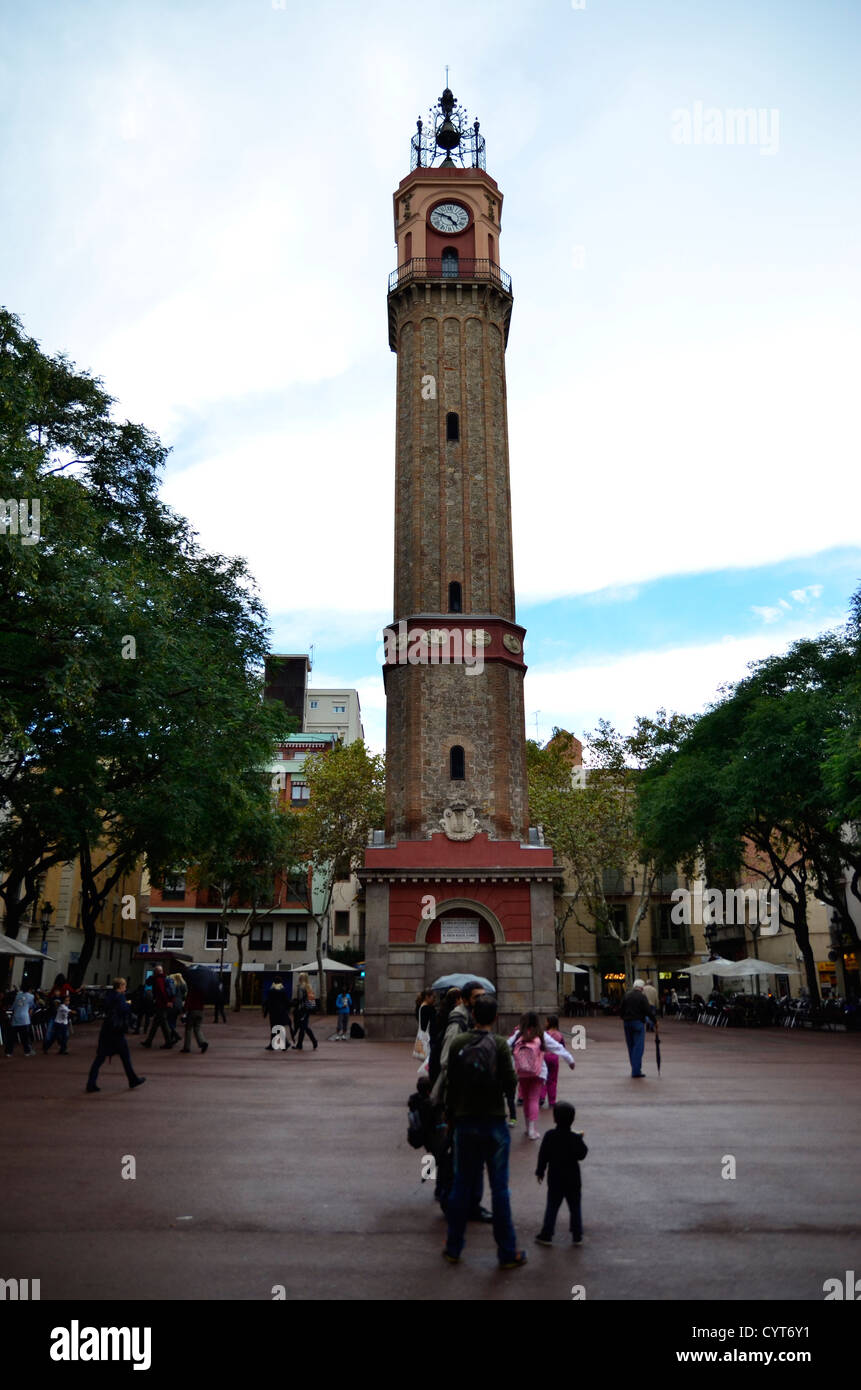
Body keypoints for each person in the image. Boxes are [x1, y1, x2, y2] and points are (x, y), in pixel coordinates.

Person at [442, 993, 526, 1270]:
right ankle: (507, 1252)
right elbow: (511, 1082)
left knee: (461, 1187)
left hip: (465, 1122)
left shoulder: (458, 1043)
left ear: (473, 1015)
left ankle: (453, 1248)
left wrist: (451, 1116)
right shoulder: (501, 1044)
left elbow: (450, 1083)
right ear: (496, 1017)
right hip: (494, 1122)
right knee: (500, 1190)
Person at [509, 1012, 575, 1140]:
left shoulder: (518, 1034)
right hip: (538, 1072)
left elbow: (506, 1046)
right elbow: (558, 1048)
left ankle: (528, 1128)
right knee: (534, 1099)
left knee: (526, 1099)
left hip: (521, 1072)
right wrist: (570, 1060)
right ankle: (533, 1130)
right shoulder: (541, 1034)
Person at [534, 1101, 588, 1246]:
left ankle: (546, 1234)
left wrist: (540, 1171)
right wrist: (580, 1140)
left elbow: (543, 1155)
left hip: (555, 1177)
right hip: (573, 1178)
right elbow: (582, 1154)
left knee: (552, 1206)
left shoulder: (550, 1136)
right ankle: (577, 1235)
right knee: (575, 1207)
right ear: (572, 1119)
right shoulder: (575, 1138)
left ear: (555, 1119)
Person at [86, 978, 146, 1093]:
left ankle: (91, 1082)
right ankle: (132, 1079)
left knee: (100, 1058)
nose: (125, 987)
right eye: (124, 985)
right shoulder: (120, 997)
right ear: (120, 986)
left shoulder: (109, 996)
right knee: (125, 1057)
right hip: (116, 1032)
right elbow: (123, 1010)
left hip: (107, 1029)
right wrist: (129, 1005)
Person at [620, 979, 654, 1078]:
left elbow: (621, 1009)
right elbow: (648, 1011)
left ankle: (635, 1068)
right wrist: (655, 1021)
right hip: (638, 1023)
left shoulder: (626, 995)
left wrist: (624, 1018)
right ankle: (636, 1070)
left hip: (627, 1023)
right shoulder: (642, 997)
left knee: (630, 1046)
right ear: (642, 987)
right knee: (638, 1047)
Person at [140, 966, 176, 1049]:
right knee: (156, 1024)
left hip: (161, 1004)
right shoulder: (165, 978)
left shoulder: (158, 980)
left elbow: (161, 991)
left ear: (156, 972)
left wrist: (167, 1002)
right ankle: (149, 1041)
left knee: (163, 1023)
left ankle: (169, 1041)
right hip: (163, 1004)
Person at [540, 1015, 565, 1109]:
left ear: (549, 1023)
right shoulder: (559, 1035)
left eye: (546, 1021)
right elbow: (562, 1047)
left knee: (543, 1078)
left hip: (544, 1057)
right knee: (553, 1080)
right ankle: (552, 1101)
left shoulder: (544, 1034)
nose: (544, 1023)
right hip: (554, 1058)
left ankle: (541, 1097)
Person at [263, 976, 293, 1050]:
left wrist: (265, 1012)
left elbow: (267, 1002)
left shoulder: (271, 991)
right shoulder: (282, 991)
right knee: (278, 1028)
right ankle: (284, 1044)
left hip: (273, 1012)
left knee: (274, 1028)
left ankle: (282, 1044)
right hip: (281, 1012)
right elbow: (286, 1002)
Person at [181, 979, 209, 1054]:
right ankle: (202, 1042)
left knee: (188, 1029)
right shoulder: (203, 990)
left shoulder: (192, 990)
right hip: (200, 1010)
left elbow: (188, 1000)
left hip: (192, 1010)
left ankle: (187, 1047)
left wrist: (184, 1010)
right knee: (197, 1028)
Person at [6, 986, 36, 1056]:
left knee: (11, 1037)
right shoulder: (31, 996)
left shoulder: (17, 995)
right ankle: (27, 1051)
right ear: (29, 989)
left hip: (16, 1018)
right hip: (25, 1019)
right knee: (25, 1037)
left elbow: (13, 1007)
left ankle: (8, 1052)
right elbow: (32, 1006)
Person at [292, 972, 318, 1051]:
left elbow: (300, 999)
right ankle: (313, 1042)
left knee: (303, 1027)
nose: (299, 979)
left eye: (300, 977)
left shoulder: (303, 987)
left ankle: (301, 1044)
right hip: (305, 1009)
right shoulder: (307, 987)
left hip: (303, 1009)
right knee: (304, 1027)